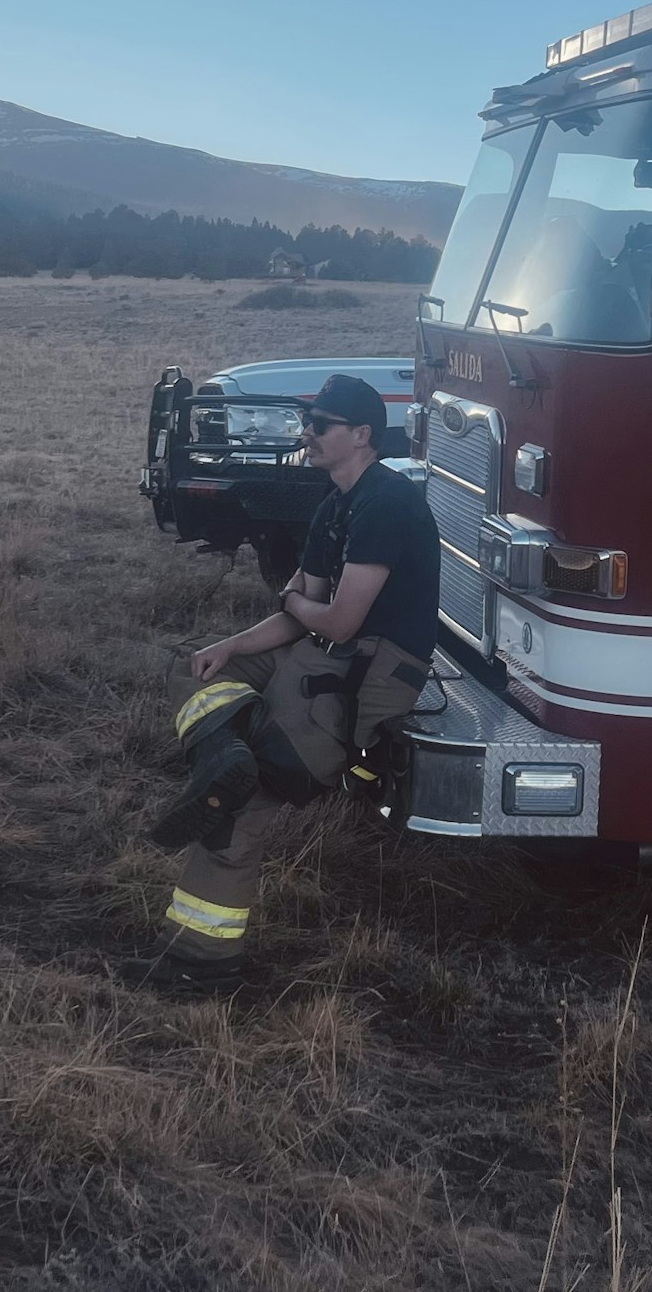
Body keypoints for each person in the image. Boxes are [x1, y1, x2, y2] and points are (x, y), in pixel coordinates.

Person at [131, 374, 439, 990]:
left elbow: (338, 619)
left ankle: (203, 958)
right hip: (326, 651)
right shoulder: (336, 502)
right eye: (308, 422)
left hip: (370, 671)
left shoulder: (385, 503)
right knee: (192, 669)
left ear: (360, 436)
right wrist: (230, 645)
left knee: (241, 805)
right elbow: (301, 606)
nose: (308, 434)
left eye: (320, 425)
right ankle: (227, 757)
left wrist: (296, 606)